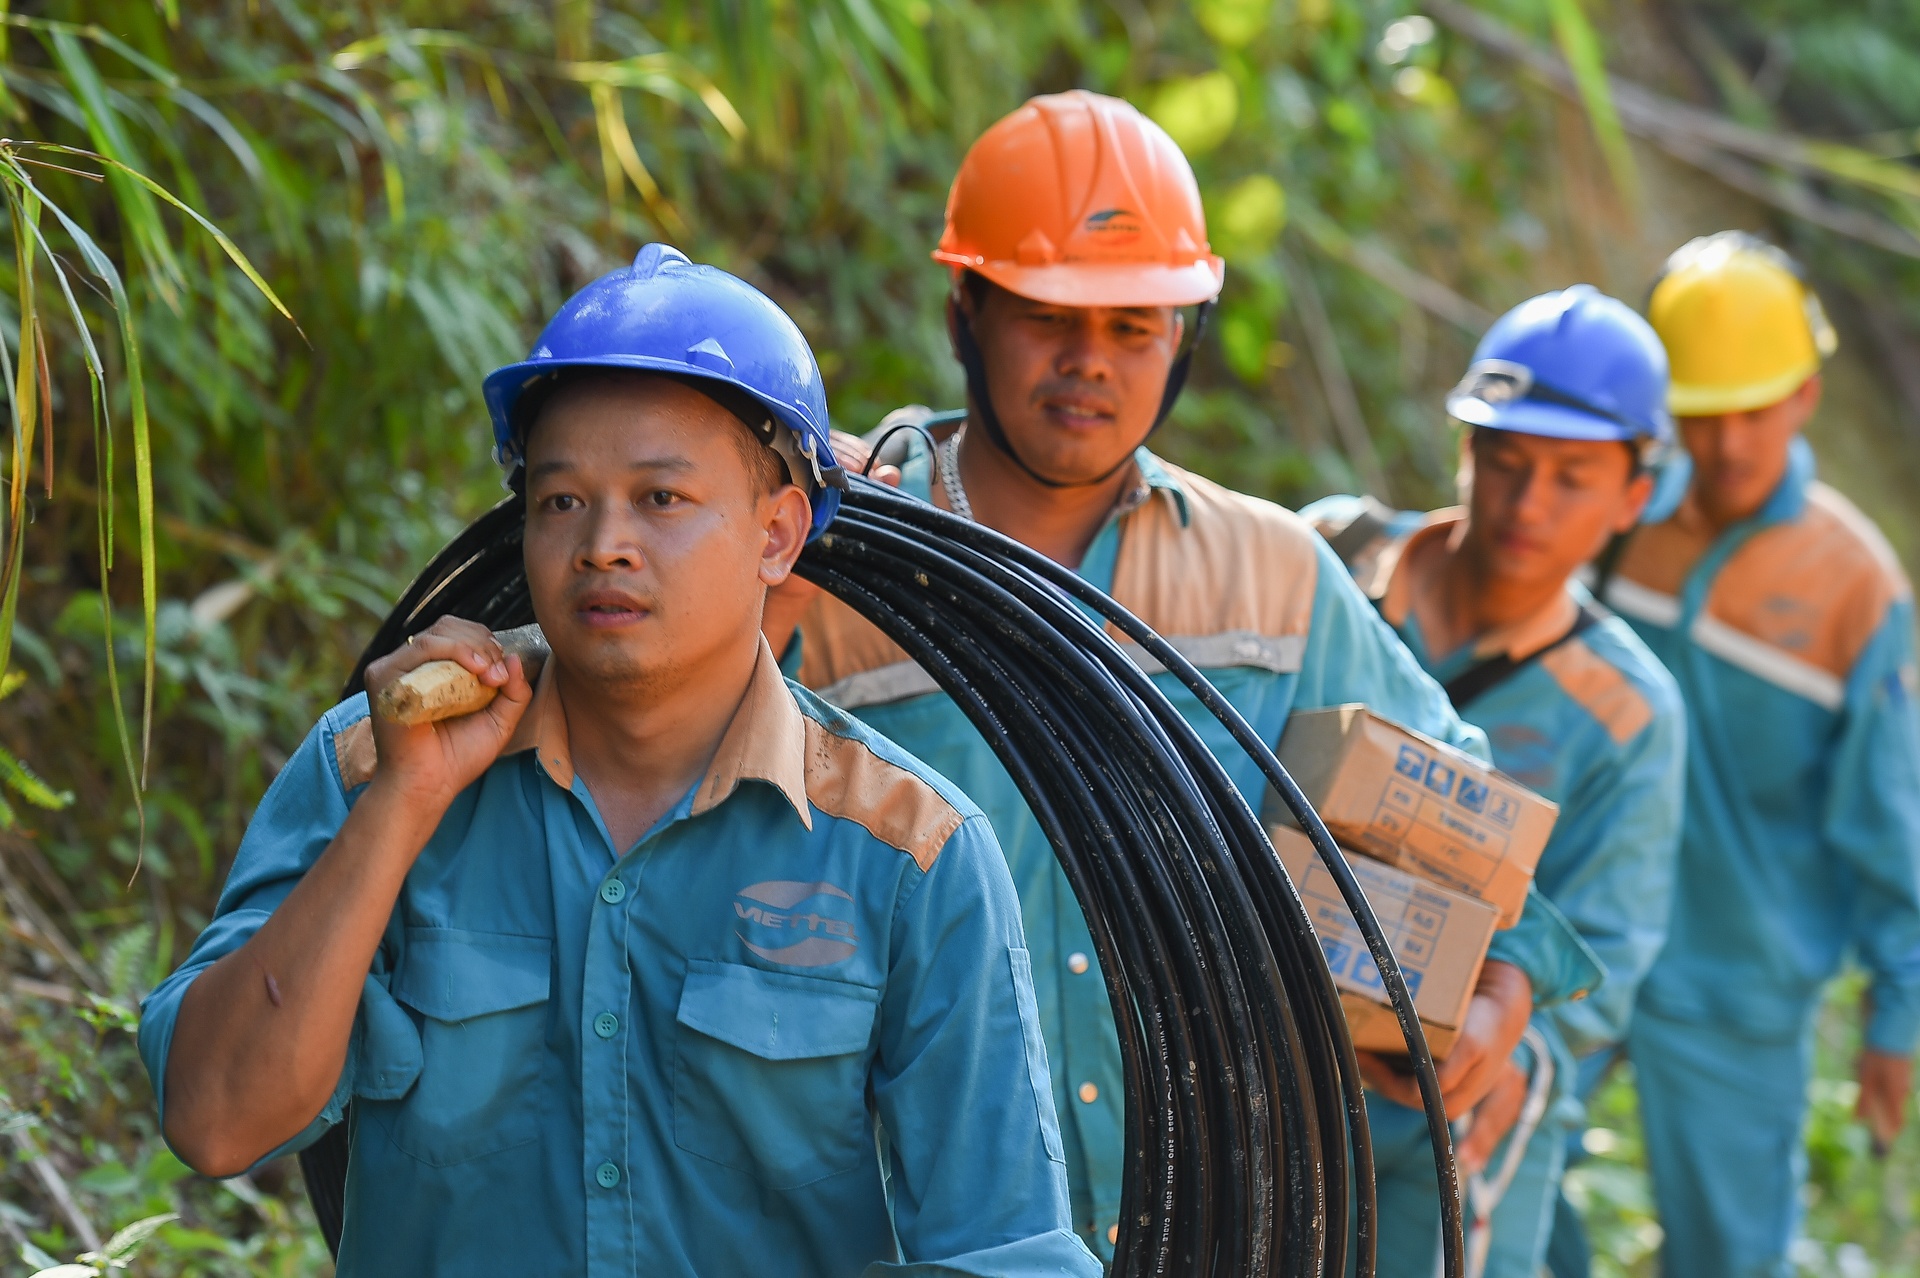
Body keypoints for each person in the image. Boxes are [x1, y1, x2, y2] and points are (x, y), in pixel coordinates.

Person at [137, 245, 1100, 1278]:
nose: (603, 544)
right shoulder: (374, 762)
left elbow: (1005, 1254)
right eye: (562, 502)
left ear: (779, 534)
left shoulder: (910, 856)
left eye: (662, 499)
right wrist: (401, 805)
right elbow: (216, 1121)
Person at [773, 89, 1599, 1263]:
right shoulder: (827, 565)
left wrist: (1498, 992)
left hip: (1217, 1210)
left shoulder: (1273, 577)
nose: (1087, 364)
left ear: (1185, 338)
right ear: (965, 311)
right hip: (924, 1211)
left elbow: (1454, 803)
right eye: (1049, 316)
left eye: (1134, 327)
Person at [1304, 286, 1686, 1277]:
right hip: (1264, 1042)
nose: (1527, 506)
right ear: (1463, 449)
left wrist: (1500, 1027)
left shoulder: (1629, 714)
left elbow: (1604, 957)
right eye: (1506, 463)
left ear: (1634, 496)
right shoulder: (1328, 561)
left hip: (1458, 1117)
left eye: (1572, 478)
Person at [1597, 231, 1920, 1277]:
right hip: (1578, 937)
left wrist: (1897, 1009)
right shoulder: (1614, 515)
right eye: (1701, 412)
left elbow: (1888, 814)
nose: (1728, 442)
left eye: (1752, 410)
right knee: (1473, 1191)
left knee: (1729, 1260)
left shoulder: (1854, 584)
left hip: (1739, 983)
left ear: (1805, 397)